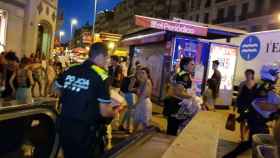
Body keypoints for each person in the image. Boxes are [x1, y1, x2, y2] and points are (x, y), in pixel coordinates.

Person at [53, 43, 116, 158]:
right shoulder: (101, 75)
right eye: (107, 58)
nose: (107, 61)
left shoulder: (71, 69)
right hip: (85, 133)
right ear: (101, 56)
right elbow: (104, 111)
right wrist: (115, 112)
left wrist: (71, 94)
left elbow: (54, 88)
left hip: (64, 126)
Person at [236, 69, 258, 141]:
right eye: (246, 74)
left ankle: (244, 133)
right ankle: (242, 137)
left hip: (252, 106)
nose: (247, 75)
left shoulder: (256, 84)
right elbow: (239, 95)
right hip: (243, 105)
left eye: (249, 74)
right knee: (243, 120)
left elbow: (257, 96)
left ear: (252, 75)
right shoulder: (242, 84)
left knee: (250, 121)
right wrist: (235, 105)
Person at [134, 67, 153, 131]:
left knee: (144, 122)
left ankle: (139, 137)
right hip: (141, 102)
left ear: (147, 74)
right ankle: (135, 136)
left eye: (143, 73)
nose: (142, 74)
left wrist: (137, 103)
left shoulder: (147, 81)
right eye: (141, 73)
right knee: (137, 121)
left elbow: (144, 95)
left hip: (145, 103)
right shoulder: (142, 82)